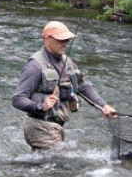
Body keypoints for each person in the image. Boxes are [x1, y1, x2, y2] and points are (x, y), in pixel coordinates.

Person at [12, 21, 117, 150]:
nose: (65, 43)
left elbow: (83, 87)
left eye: (67, 39)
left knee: (49, 166)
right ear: (47, 39)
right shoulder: (34, 66)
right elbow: (17, 99)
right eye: (60, 40)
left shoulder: (67, 62)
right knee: (61, 165)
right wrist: (40, 106)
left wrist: (104, 106)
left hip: (56, 126)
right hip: (39, 126)